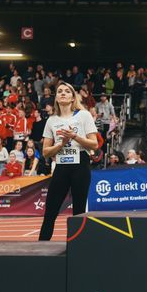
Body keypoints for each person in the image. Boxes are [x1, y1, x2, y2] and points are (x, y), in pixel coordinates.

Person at [39, 81, 98, 241]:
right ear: (56, 98)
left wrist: (75, 136)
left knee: (78, 212)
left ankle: (78, 248)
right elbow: (45, 152)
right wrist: (61, 144)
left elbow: (95, 144)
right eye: (59, 91)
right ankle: (41, 247)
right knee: (50, 210)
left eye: (67, 91)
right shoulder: (51, 120)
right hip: (61, 167)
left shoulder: (84, 115)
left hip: (81, 166)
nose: (63, 93)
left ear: (73, 97)